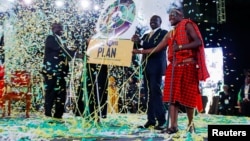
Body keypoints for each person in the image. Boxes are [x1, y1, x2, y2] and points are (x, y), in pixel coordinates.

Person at [133, 8, 209, 134]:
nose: (171, 17)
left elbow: (198, 41)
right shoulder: (171, 33)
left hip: (188, 65)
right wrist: (139, 51)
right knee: (172, 98)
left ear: (181, 15)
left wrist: (180, 47)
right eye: (169, 15)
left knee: (189, 98)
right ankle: (173, 126)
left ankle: (191, 124)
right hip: (174, 67)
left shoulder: (187, 24)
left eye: (174, 15)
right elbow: (157, 48)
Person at [131, 15, 168, 130]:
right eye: (151, 20)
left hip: (156, 67)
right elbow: (139, 45)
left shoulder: (164, 33)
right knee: (148, 94)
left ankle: (162, 120)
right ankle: (151, 120)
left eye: (155, 20)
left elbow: (155, 46)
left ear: (160, 22)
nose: (152, 22)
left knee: (156, 93)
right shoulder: (146, 35)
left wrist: (140, 42)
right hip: (146, 68)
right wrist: (134, 40)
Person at [41, 22, 74, 119]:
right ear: (52, 28)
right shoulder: (50, 38)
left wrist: (76, 53)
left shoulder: (61, 40)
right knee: (51, 92)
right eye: (57, 27)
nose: (59, 29)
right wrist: (73, 53)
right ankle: (48, 113)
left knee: (61, 93)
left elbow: (66, 52)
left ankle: (58, 114)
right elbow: (61, 50)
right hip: (51, 71)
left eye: (61, 27)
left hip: (61, 72)